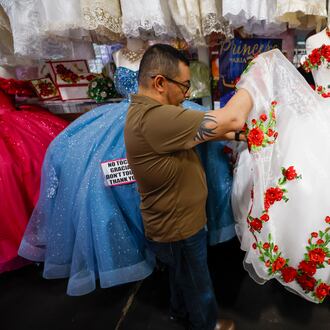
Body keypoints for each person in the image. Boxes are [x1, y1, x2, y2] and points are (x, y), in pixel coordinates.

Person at [125, 44, 252, 330]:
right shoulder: (156, 118)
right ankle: (206, 325)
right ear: (160, 83)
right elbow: (233, 118)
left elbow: (209, 132)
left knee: (180, 274)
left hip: (169, 224)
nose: (186, 94)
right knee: (198, 282)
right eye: (183, 86)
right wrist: (255, 78)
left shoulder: (148, 112)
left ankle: (178, 311)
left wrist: (241, 135)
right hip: (178, 227)